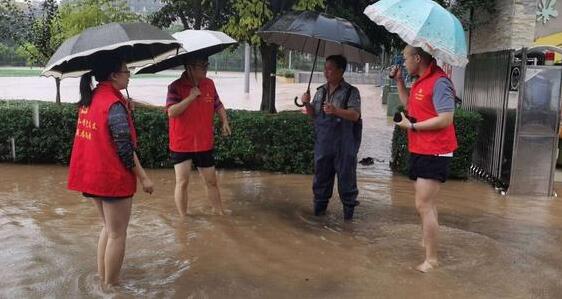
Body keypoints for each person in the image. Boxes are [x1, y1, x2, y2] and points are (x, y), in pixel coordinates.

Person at [67, 56, 154, 287]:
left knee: (108, 228)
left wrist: (125, 111)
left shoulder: (93, 97)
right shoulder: (112, 104)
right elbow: (124, 148)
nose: (129, 75)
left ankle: (103, 280)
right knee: (117, 234)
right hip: (111, 177)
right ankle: (113, 287)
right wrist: (144, 177)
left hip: (93, 176)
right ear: (114, 75)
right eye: (127, 72)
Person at [391, 46, 458, 273]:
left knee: (423, 204)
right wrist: (400, 82)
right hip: (421, 148)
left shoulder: (440, 82)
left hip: (435, 150)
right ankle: (428, 242)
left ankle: (432, 260)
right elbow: (411, 105)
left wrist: (412, 126)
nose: (403, 61)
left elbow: (446, 118)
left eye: (405, 58)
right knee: (427, 204)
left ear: (417, 58)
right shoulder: (421, 80)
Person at [166, 55, 231, 217]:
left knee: (212, 181)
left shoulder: (209, 84)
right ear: (189, 67)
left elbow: (218, 104)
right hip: (182, 143)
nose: (206, 68)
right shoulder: (175, 87)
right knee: (182, 182)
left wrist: (224, 121)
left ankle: (219, 213)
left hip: (203, 142)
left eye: (206, 64)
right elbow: (172, 112)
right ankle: (183, 219)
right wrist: (190, 97)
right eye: (202, 65)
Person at [301, 55, 362, 221]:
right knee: (321, 182)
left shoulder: (351, 92)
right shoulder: (320, 91)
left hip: (344, 147)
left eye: (330, 68)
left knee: (347, 184)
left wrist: (336, 111)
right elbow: (313, 114)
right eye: (325, 68)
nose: (326, 72)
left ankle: (348, 222)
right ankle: (318, 218)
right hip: (324, 146)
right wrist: (306, 103)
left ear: (340, 71)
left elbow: (355, 115)